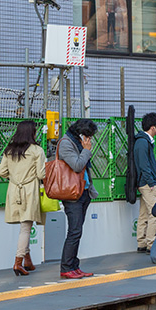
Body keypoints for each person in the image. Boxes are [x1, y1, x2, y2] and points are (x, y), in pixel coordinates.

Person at [0, 120, 45, 276]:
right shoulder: (37, 150)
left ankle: (27, 261)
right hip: (29, 190)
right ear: (32, 133)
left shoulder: (9, 150)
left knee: (24, 226)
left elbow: (1, 172)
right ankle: (18, 262)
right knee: (26, 227)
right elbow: (41, 174)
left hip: (13, 190)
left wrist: (14, 177)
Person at [58, 119, 98, 279]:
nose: (89, 139)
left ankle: (74, 265)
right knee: (74, 231)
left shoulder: (78, 142)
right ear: (81, 133)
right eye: (88, 136)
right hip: (72, 194)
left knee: (77, 231)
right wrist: (87, 150)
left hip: (84, 191)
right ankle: (66, 267)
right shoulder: (66, 143)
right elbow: (76, 165)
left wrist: (85, 149)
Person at [134, 112, 156, 253]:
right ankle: (151, 244)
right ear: (152, 127)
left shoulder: (142, 141)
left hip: (143, 182)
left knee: (144, 213)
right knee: (155, 213)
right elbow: (144, 165)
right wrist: (151, 183)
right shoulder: (143, 142)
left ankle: (142, 242)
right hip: (147, 183)